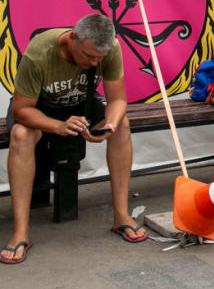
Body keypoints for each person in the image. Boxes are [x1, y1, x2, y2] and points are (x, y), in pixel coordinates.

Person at [2, 14, 143, 265]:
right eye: (88, 56)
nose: (94, 62)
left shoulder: (111, 48)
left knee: (122, 124)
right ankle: (21, 232)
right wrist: (57, 126)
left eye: (100, 57)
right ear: (72, 38)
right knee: (20, 135)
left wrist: (108, 125)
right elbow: (21, 110)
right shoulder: (40, 53)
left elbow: (118, 100)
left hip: (80, 104)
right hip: (40, 109)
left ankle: (121, 215)